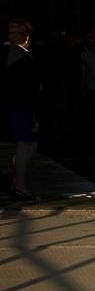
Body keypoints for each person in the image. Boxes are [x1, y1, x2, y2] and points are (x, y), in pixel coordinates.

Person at [4, 19, 42, 201]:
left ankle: (16, 181)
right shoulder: (21, 56)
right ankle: (19, 184)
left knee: (29, 144)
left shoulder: (18, 54)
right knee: (25, 143)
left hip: (17, 105)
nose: (13, 35)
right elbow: (29, 88)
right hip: (18, 106)